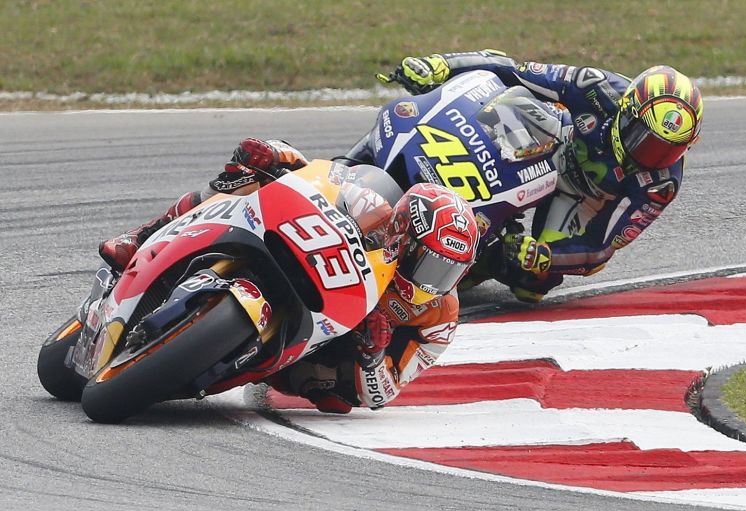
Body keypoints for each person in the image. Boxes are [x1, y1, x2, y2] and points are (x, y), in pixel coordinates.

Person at [99, 138, 480, 414]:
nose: (435, 281)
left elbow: (383, 394)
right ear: (405, 235)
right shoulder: (375, 210)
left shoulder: (440, 315)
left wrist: (373, 352)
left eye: (450, 271)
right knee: (241, 183)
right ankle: (143, 236)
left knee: (338, 402)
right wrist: (274, 155)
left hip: (327, 345)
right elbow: (320, 175)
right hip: (316, 264)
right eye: (431, 264)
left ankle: (233, 356)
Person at [382, 50, 704, 302]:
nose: (650, 156)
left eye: (667, 150)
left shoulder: (661, 184)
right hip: (555, 139)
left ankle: (484, 258)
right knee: (505, 99)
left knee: (532, 284)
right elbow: (512, 69)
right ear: (627, 110)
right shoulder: (595, 86)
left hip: (586, 197)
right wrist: (442, 65)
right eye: (644, 138)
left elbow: (602, 249)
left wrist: (549, 257)